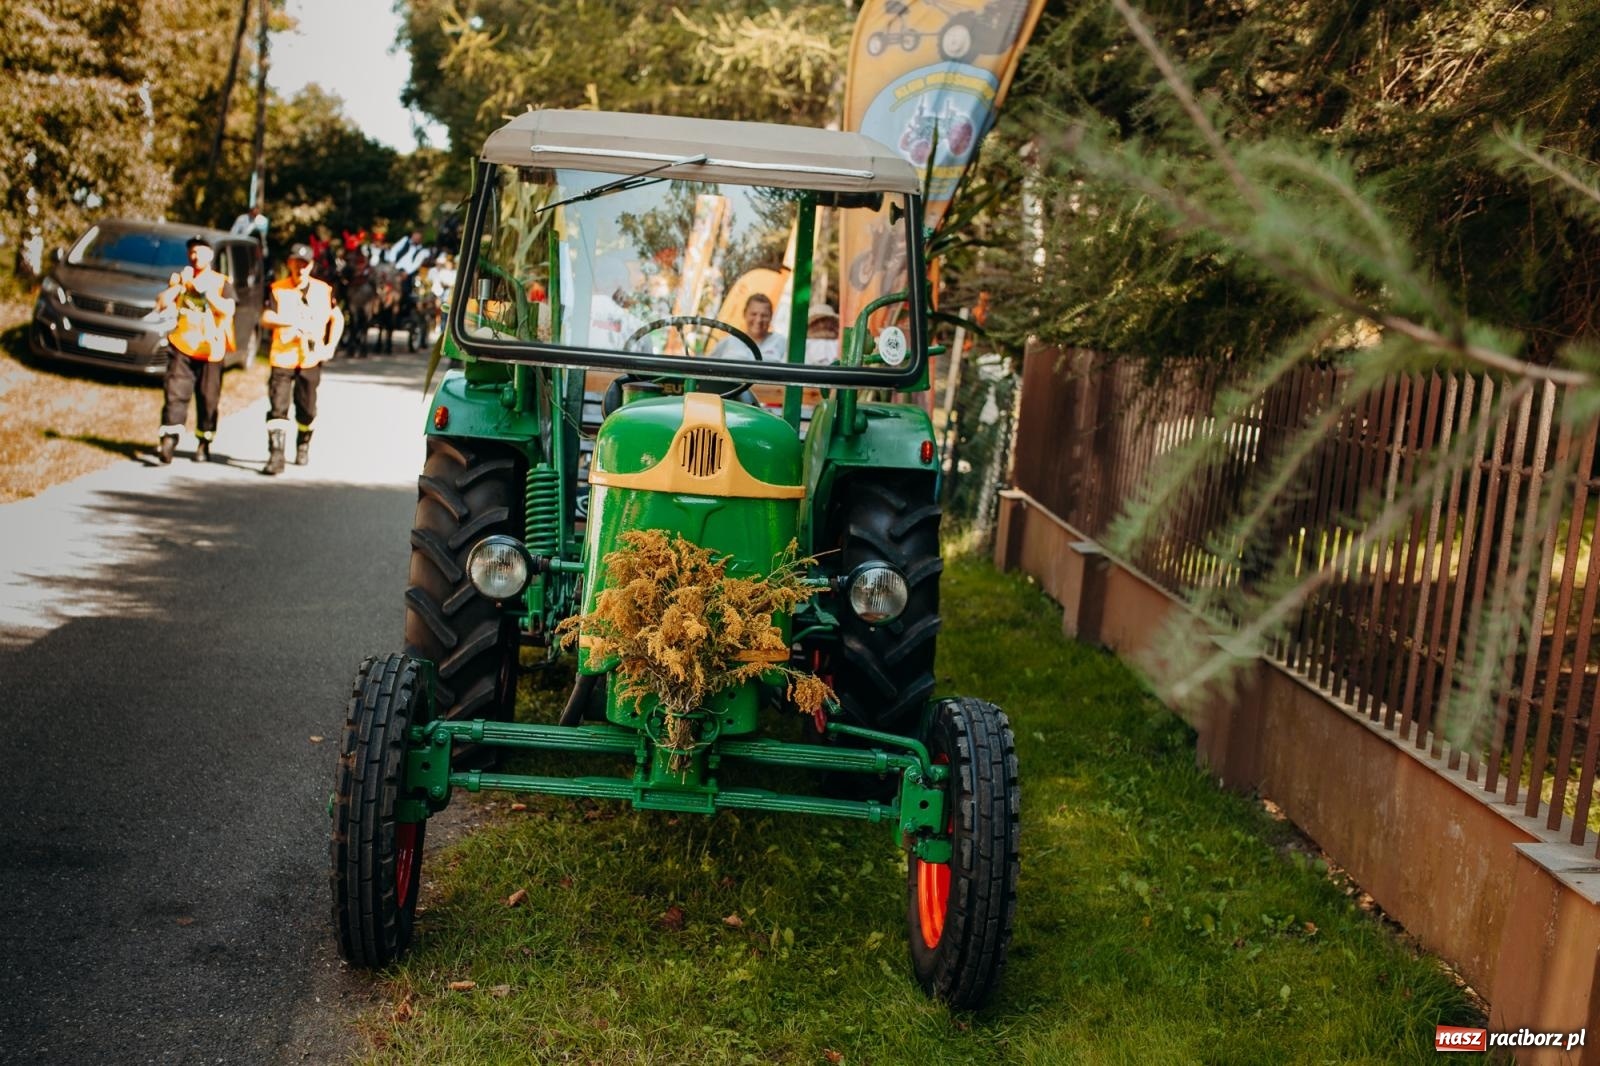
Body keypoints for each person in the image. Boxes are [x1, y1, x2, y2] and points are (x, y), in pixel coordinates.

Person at [258, 243, 345, 475]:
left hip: (310, 358)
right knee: (278, 407)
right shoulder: (277, 288)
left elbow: (337, 318)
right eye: (296, 263)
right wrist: (287, 322)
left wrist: (330, 346)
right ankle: (276, 457)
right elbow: (265, 317)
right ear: (290, 264)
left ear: (311, 266)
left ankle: (303, 444)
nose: (300, 268)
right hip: (283, 357)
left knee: (307, 410)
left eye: (305, 264)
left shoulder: (323, 290)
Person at [154, 235, 237, 464]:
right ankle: (168, 441)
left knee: (208, 399)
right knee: (175, 394)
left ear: (210, 255)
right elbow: (160, 303)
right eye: (191, 252)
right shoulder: (181, 279)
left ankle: (204, 442)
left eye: (200, 251)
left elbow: (229, 309)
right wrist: (181, 285)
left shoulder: (221, 282)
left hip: (211, 350)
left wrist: (205, 293)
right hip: (182, 345)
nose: (195, 256)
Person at [709, 293, 787, 361]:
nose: (759, 320)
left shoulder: (782, 343)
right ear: (744, 314)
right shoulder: (728, 342)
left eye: (764, 315)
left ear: (771, 317)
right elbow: (709, 369)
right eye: (754, 314)